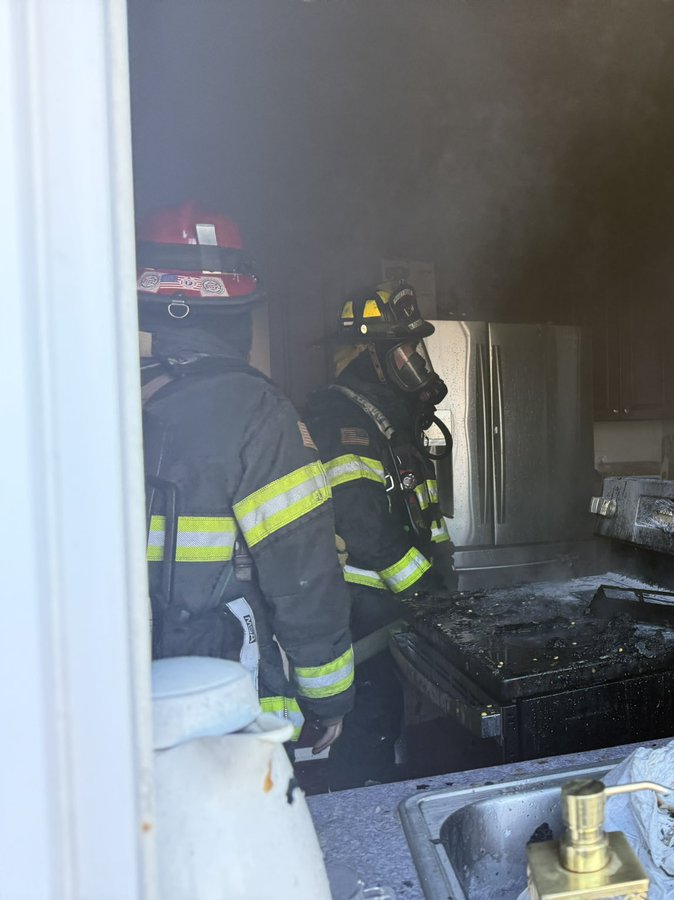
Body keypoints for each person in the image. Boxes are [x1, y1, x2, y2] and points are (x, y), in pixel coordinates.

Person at [139, 201, 354, 754]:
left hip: (113, 687)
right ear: (237, 314)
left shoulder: (91, 392)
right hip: (227, 693)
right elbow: (304, 571)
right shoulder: (259, 412)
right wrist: (328, 700)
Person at [303, 281, 456, 655]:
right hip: (363, 608)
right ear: (371, 358)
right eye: (405, 354)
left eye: (415, 352)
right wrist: (423, 587)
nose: (417, 365)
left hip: (397, 604)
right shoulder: (339, 417)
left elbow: (420, 508)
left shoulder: (387, 421)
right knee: (378, 706)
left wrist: (444, 568)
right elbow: (359, 520)